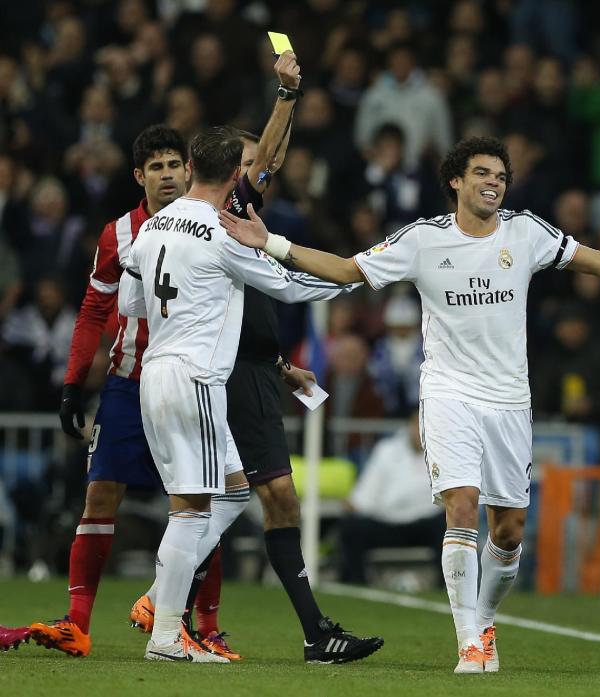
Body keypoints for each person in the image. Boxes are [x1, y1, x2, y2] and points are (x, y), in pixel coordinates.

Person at [219, 135, 600, 674]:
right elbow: (344, 271)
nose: (493, 184)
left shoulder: (526, 232)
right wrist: (270, 242)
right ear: (456, 181)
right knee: (461, 508)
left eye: (500, 176)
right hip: (450, 391)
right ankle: (469, 640)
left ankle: (483, 618)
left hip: (509, 399)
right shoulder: (423, 240)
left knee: (508, 532)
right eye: (482, 173)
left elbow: (598, 262)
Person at [29, 51, 312, 660]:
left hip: (176, 375)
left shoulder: (206, 219)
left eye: (170, 165)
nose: (163, 175)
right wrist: (74, 382)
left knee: (214, 495)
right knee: (149, 499)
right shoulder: (138, 231)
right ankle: (106, 623)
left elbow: (259, 165)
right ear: (141, 176)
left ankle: (189, 621)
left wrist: (285, 99)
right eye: (152, 166)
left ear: (186, 171)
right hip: (148, 381)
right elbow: (94, 310)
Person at [121, 126, 380, 664]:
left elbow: (132, 305)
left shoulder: (149, 229)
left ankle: (160, 612)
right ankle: (165, 632)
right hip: (197, 379)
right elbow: (289, 286)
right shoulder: (220, 234)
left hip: (156, 372)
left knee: (234, 492)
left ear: (190, 167)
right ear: (234, 175)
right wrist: (357, 278)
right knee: (191, 511)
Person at [338, 410, 445, 586]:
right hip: (386, 524)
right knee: (351, 528)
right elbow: (365, 493)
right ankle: (357, 583)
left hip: (425, 525)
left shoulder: (443, 456)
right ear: (410, 427)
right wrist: (353, 505)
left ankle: (449, 586)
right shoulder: (386, 451)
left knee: (449, 527)